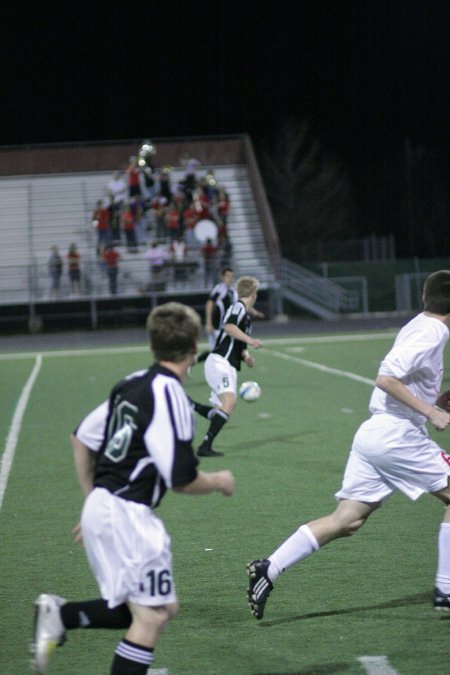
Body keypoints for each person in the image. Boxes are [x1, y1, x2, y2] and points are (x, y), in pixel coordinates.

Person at [31, 302, 235, 675]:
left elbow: (81, 438)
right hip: (127, 513)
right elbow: (182, 480)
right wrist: (220, 481)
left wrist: (94, 499)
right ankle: (59, 615)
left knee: (159, 608)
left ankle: (60, 615)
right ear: (193, 350)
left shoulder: (130, 383)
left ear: (153, 346)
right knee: (153, 615)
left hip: (108, 507)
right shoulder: (171, 393)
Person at [246, 269, 450, 621]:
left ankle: (269, 568)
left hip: (374, 434)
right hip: (397, 437)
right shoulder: (434, 331)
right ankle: (446, 589)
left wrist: (437, 399)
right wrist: (431, 411)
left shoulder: (420, 324)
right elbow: (386, 377)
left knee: (346, 520)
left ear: (424, 298)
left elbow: (408, 379)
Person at [197, 276, 262, 457]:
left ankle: (189, 404)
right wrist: (251, 340)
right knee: (230, 401)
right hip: (220, 361)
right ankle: (204, 447)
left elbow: (238, 343)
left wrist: (246, 356)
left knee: (221, 411)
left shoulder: (246, 317)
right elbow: (229, 327)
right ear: (254, 294)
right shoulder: (237, 306)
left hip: (229, 365)